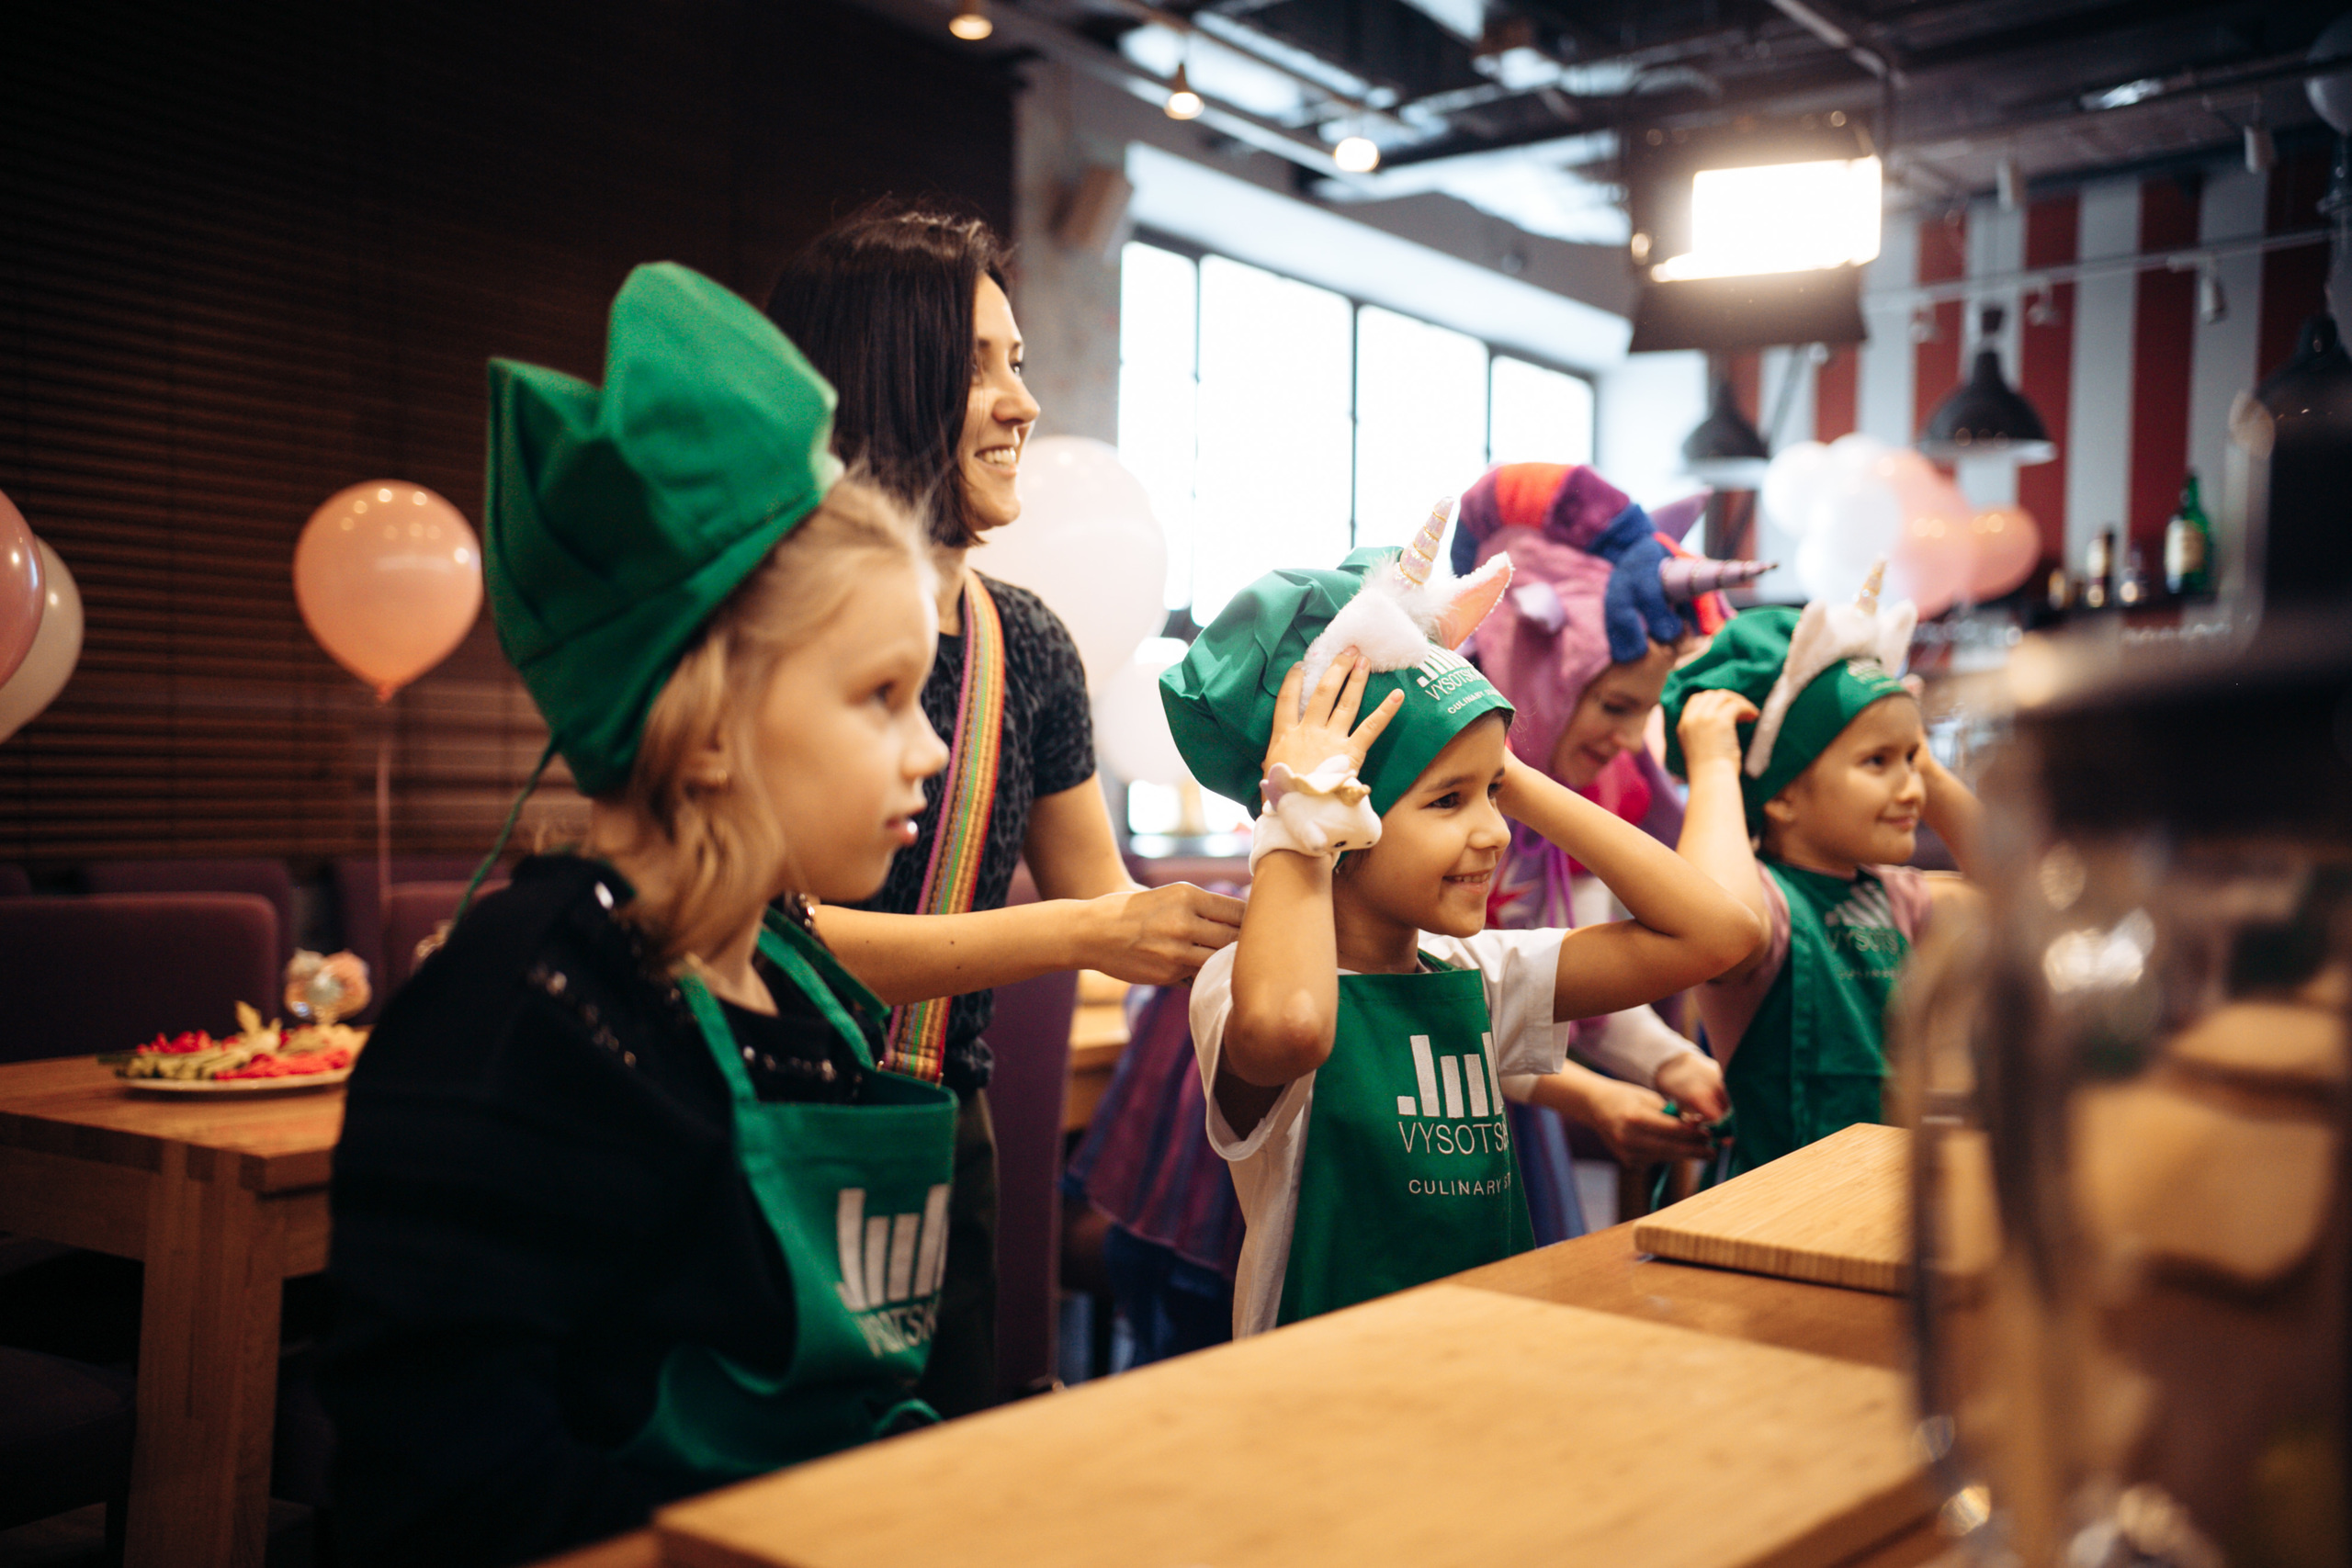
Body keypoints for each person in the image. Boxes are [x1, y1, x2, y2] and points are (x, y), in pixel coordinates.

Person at [322, 264, 958, 1566]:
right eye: (882, 696)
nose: (933, 749)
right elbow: (448, 1494)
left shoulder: (799, 988)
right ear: (709, 723)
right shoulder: (521, 1018)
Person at [765, 206, 1241, 1410]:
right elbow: (763, 937)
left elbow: (1109, 904)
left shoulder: (1024, 641)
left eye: (1018, 363)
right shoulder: (767, 620)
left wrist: (1293, 852)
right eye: (978, 367)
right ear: (879, 376)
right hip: (761, 1122)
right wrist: (1086, 932)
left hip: (945, 1130)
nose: (1023, 404)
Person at [1159, 520, 1761, 1336]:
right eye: (1448, 800)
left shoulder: (1475, 972)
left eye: (1493, 794)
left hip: (1484, 1363)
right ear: (1343, 816)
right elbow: (1293, 1028)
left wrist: (1506, 769)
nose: (1497, 831)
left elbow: (1719, 934)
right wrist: (1298, 814)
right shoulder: (1238, 981)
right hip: (1322, 1390)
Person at [1451, 462, 1770, 1236]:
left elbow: (1572, 989)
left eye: (1643, 711)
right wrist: (1587, 1095)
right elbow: (1417, 1003)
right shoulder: (1418, 794)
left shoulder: (1586, 796)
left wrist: (1675, 1064)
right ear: (1542, 667)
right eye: (1617, 706)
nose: (1631, 740)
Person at [1658, 566, 1983, 1179]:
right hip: (1768, 1204)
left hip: (1883, 1193)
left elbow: (2018, 893)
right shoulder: (1763, 906)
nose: (1911, 787)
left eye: (1912, 761)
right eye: (1878, 761)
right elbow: (1716, 911)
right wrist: (1716, 767)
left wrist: (1931, 773)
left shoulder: (1902, 899)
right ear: (1782, 794)